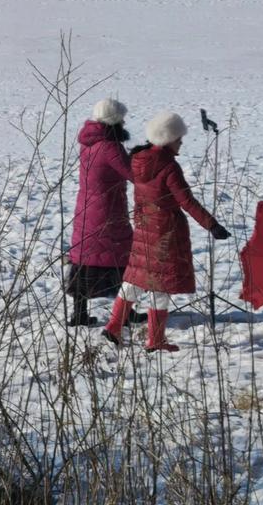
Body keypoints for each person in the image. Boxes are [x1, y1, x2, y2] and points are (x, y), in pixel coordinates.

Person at [102, 111, 230, 352]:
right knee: (160, 285)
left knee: (135, 279)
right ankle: (156, 340)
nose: (181, 142)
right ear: (168, 138)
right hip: (166, 233)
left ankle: (114, 327)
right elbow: (187, 201)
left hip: (144, 227)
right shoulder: (169, 166)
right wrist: (212, 225)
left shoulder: (138, 159)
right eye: (178, 138)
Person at [66, 98, 135, 327]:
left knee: (85, 261)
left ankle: (79, 315)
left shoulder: (89, 143)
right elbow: (133, 173)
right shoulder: (110, 146)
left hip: (86, 210)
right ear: (115, 120)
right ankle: (125, 313)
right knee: (122, 260)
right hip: (108, 212)